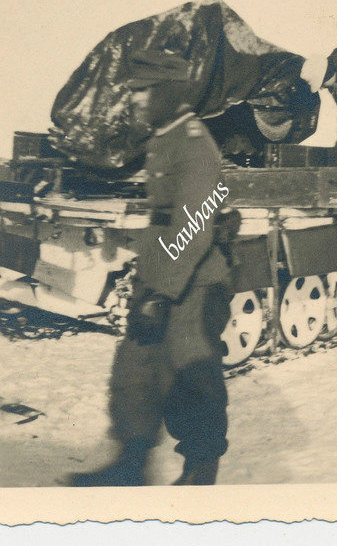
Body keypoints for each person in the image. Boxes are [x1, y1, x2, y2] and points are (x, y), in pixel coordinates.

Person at [73, 50, 233, 486]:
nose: (136, 100)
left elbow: (196, 226)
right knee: (136, 366)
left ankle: (201, 472)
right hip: (163, 275)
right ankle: (130, 461)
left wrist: (161, 291)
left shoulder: (195, 143)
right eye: (134, 91)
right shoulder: (166, 137)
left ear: (168, 92)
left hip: (192, 284)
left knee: (192, 372)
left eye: (143, 91)